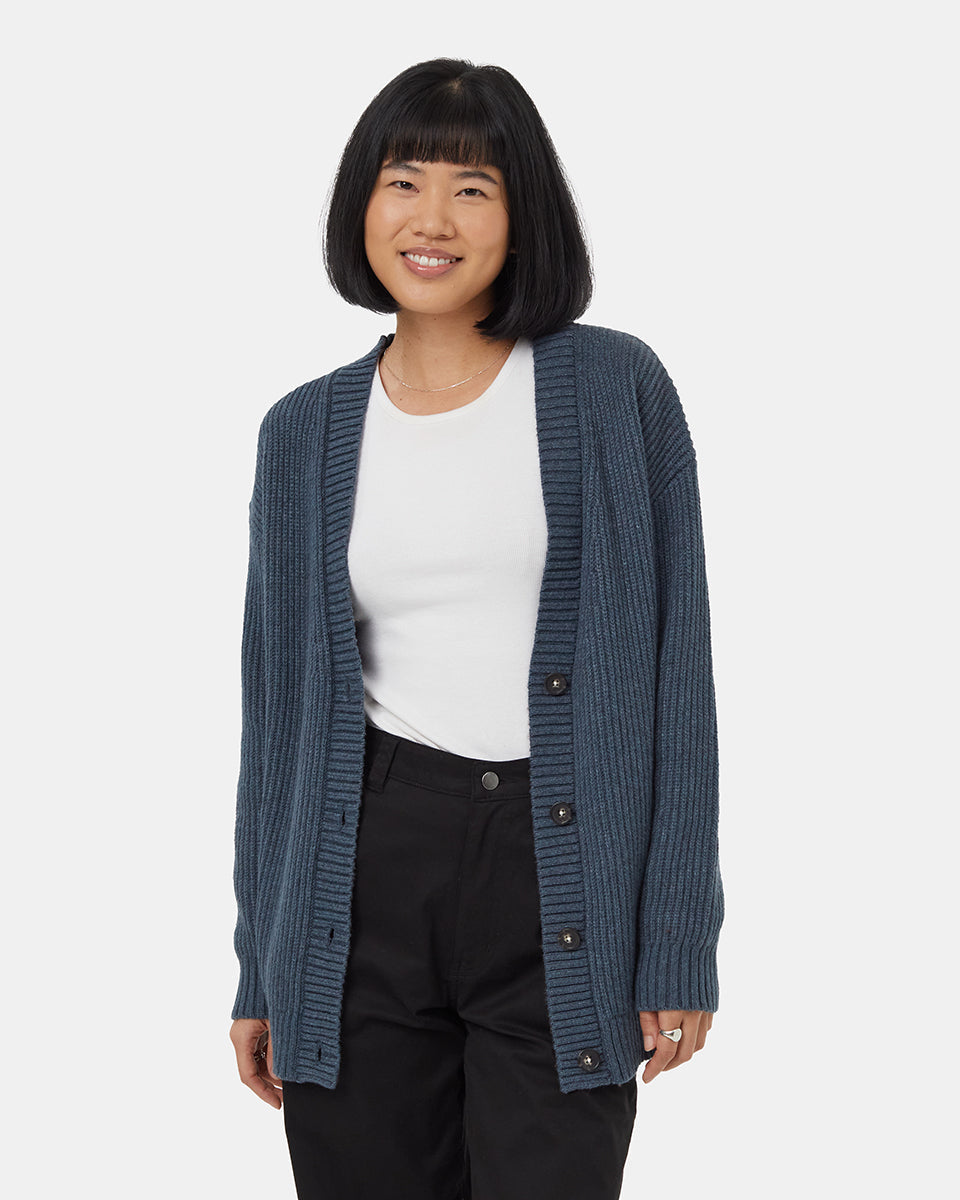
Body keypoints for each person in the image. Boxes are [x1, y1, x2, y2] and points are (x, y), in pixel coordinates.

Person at [229, 57, 724, 1200]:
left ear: (521, 213)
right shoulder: (300, 434)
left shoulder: (616, 390)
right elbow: (279, 720)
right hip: (362, 876)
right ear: (363, 205)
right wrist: (263, 965)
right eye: (404, 182)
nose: (432, 220)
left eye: (472, 189)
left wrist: (677, 936)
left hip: (562, 872)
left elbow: (678, 678)